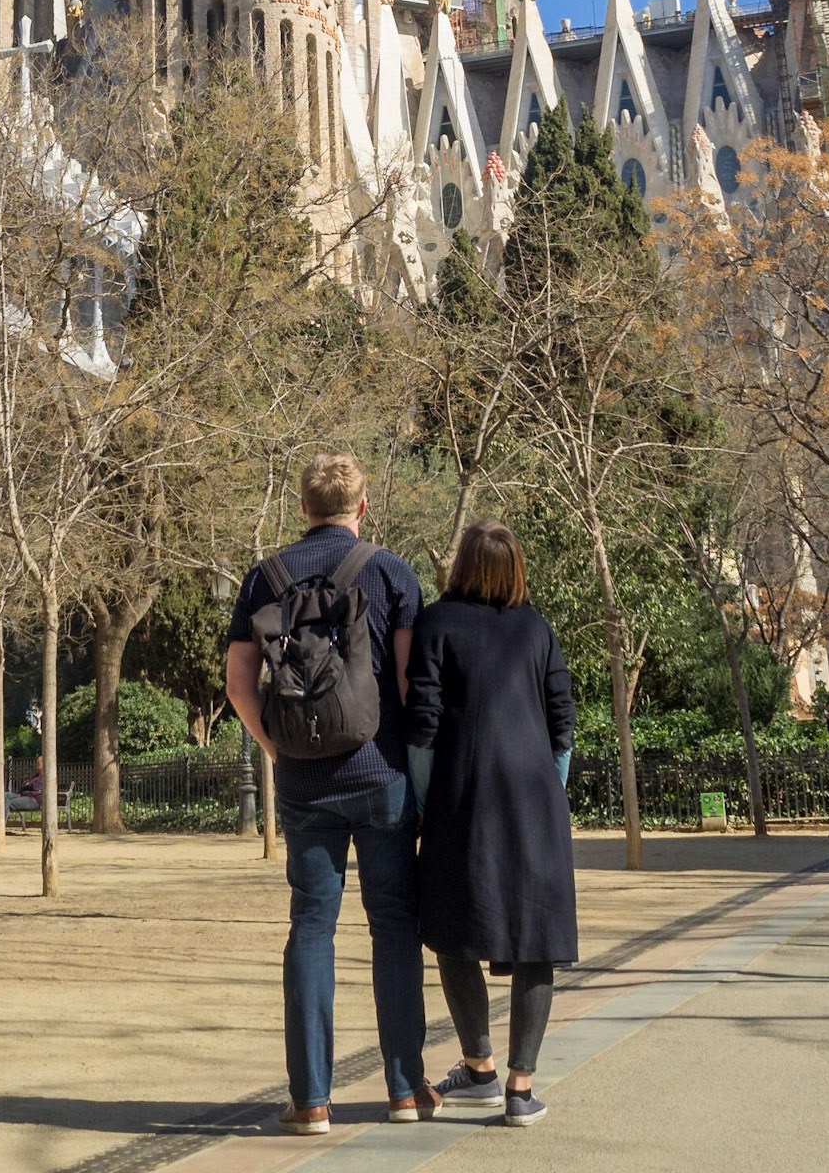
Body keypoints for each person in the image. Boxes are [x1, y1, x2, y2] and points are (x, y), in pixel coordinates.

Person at [226, 451, 432, 1135]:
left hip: (304, 785)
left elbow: (237, 681)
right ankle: (405, 1090)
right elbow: (406, 685)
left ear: (303, 508)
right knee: (394, 925)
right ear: (362, 506)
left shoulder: (266, 576)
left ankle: (311, 1098)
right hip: (381, 777)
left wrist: (276, 747)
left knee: (311, 927)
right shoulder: (391, 571)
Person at [405, 520, 577, 1130]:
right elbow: (563, 725)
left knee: (453, 932)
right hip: (535, 804)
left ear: (461, 565)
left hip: (460, 802)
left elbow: (421, 727)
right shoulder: (537, 629)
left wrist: (428, 802)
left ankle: (477, 1064)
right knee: (538, 942)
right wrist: (544, 794)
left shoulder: (435, 622)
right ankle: (519, 1088)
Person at [7, 756, 44, 822]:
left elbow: (35, 786)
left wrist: (29, 784)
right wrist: (26, 787)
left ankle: (1, 824)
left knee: (8, 803)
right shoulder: (37, 775)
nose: (36, 764)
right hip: (26, 795)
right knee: (5, 795)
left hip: (35, 800)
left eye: (38, 763)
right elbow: (25, 786)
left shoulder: (46, 776)